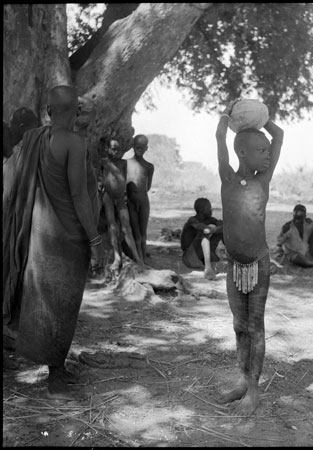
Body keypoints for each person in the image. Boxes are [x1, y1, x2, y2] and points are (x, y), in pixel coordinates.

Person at [3, 85, 104, 399]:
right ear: (75, 110)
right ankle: (56, 375)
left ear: (48, 111)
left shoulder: (32, 139)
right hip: (68, 237)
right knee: (62, 305)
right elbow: (78, 195)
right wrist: (96, 238)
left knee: (44, 300)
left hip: (39, 235)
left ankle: (55, 367)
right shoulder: (74, 142)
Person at [215, 100, 283, 416]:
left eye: (268, 151)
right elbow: (220, 138)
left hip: (259, 264)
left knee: (255, 326)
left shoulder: (262, 183)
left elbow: (279, 135)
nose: (268, 154)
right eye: (261, 150)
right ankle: (242, 381)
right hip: (234, 267)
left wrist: (260, 118)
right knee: (239, 325)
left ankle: (254, 391)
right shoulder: (227, 179)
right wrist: (231, 114)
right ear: (243, 153)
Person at [99, 137, 145, 277]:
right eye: (113, 148)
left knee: (126, 228)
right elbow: (101, 178)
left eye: (118, 149)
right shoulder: (103, 162)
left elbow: (122, 178)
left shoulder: (122, 163)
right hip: (108, 196)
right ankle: (117, 257)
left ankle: (138, 258)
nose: (116, 151)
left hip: (120, 197)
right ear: (107, 149)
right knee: (112, 225)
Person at [126, 134, 154, 263]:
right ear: (132, 147)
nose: (139, 150)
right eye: (137, 147)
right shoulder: (126, 164)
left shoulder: (149, 166)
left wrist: (139, 194)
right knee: (135, 231)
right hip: (131, 201)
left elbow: (148, 186)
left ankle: (143, 258)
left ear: (146, 148)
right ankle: (139, 260)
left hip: (143, 200)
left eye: (142, 148)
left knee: (143, 232)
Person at [180, 198, 224, 280]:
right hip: (190, 257)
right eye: (209, 208)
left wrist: (220, 227)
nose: (211, 210)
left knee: (221, 231)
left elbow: (222, 226)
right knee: (205, 232)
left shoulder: (211, 220)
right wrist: (216, 228)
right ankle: (208, 268)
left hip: (200, 255)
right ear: (201, 210)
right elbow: (205, 230)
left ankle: (232, 256)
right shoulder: (192, 220)